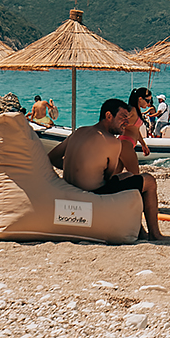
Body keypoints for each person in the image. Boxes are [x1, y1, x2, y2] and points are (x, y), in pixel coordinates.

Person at [47, 98, 162, 240]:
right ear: (108, 116)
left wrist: (80, 168)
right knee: (149, 181)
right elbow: (108, 176)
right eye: (123, 117)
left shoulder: (79, 131)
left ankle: (141, 231)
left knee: (128, 176)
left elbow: (52, 157)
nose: (126, 122)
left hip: (70, 187)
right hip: (94, 192)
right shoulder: (112, 142)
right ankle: (155, 235)